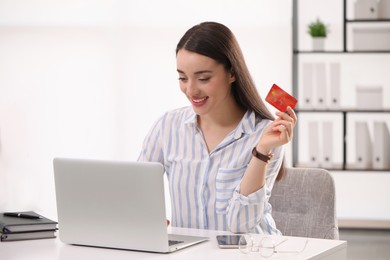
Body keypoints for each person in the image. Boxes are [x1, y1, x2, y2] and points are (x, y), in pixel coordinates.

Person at [138, 21, 297, 235]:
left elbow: (241, 225)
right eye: (182, 78)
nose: (191, 90)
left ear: (232, 73)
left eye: (203, 78)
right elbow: (136, 191)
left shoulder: (266, 135)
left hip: (249, 252)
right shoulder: (167, 126)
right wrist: (149, 220)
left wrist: (261, 151)